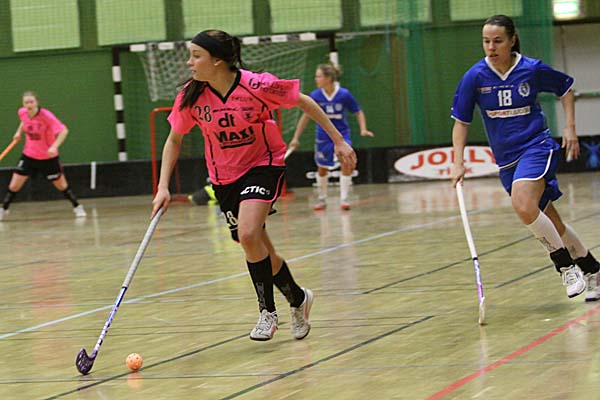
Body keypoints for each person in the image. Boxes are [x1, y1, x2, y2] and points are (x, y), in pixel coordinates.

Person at [151, 30, 357, 341]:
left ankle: (267, 312)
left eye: (196, 56)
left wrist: (339, 141)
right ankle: (299, 299)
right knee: (257, 247)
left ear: (217, 61)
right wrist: (163, 187)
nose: (189, 62)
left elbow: (304, 101)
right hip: (224, 177)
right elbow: (174, 140)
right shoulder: (191, 96)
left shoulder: (257, 85)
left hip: (263, 164)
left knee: (248, 234)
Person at [450, 15, 599, 301]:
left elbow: (566, 89)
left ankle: (565, 267)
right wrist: (458, 161)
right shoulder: (475, 77)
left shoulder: (530, 69)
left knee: (522, 203)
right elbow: (461, 122)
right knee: (550, 222)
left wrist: (570, 128)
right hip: (507, 161)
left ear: (512, 40)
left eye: (497, 41)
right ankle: (593, 271)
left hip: (536, 147)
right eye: (486, 41)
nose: (491, 47)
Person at [289, 63, 374, 211]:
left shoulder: (344, 94)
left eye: (319, 76)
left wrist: (363, 129)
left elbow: (358, 111)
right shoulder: (315, 95)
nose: (316, 79)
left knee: (346, 162)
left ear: (328, 78)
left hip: (342, 135)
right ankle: (322, 198)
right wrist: (296, 137)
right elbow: (306, 116)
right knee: (322, 167)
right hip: (323, 136)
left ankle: (344, 198)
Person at [0, 91, 86, 221]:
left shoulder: (46, 116)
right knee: (14, 185)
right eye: (26, 102)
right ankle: (4, 208)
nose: (29, 105)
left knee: (61, 185)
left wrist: (54, 146)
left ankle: (77, 206)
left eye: (31, 102)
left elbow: (64, 131)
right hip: (28, 156)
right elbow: (24, 121)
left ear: (36, 103)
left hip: (48, 158)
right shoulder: (22, 112)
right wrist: (18, 132)